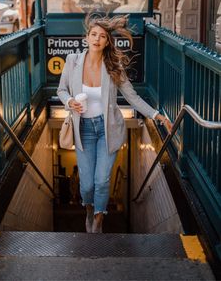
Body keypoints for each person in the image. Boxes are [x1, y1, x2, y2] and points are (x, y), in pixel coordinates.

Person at [57, 13, 172, 233]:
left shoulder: (114, 66)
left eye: (102, 36)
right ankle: (89, 210)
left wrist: (157, 116)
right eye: (93, 34)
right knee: (87, 185)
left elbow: (133, 98)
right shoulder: (72, 61)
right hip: (83, 130)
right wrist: (70, 101)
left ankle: (99, 220)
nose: (97, 39)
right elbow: (61, 90)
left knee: (101, 180)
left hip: (107, 130)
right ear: (86, 38)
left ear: (107, 41)